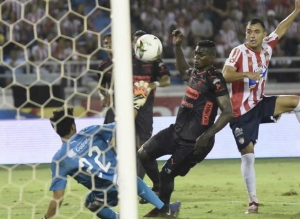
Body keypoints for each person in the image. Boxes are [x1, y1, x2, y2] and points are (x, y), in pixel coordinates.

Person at [41, 81, 181, 219]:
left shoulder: (59, 159)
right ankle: (165, 209)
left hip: (105, 195)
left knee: (90, 202)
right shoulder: (89, 132)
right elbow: (124, 124)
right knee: (130, 177)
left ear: (56, 131)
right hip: (125, 185)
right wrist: (138, 100)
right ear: (73, 126)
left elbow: (58, 198)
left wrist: (45, 218)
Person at [138, 30, 233, 217]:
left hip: (195, 141)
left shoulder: (215, 79)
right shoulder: (196, 72)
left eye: (201, 54)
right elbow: (183, 71)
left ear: (212, 58)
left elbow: (228, 112)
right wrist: (177, 46)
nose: (196, 57)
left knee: (168, 173)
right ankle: (158, 187)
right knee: (143, 154)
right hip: (176, 132)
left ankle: (163, 210)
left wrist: (206, 135)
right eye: (196, 53)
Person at [222, 0, 300, 214]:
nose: (252, 35)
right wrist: (247, 74)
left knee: (297, 102)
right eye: (249, 31)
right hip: (240, 112)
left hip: (260, 103)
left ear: (263, 34)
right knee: (248, 155)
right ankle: (253, 201)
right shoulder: (238, 52)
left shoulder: (267, 46)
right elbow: (225, 74)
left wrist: (296, 10)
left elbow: (281, 29)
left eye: (256, 32)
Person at [97, 30, 171, 184]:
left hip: (144, 107)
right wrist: (108, 94)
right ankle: (116, 179)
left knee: (143, 146)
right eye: (136, 42)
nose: (139, 45)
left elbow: (166, 80)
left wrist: (152, 84)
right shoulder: (124, 59)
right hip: (122, 104)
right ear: (132, 43)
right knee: (114, 141)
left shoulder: (154, 60)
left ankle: (140, 183)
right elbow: (111, 79)